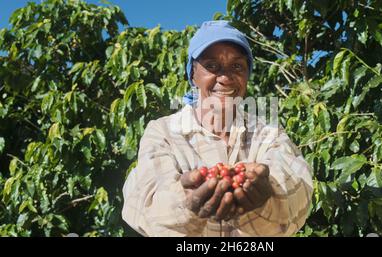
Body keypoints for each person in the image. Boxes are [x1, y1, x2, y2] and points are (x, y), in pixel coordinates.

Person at [121, 20, 313, 237]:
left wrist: (267, 194)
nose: (225, 77)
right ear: (193, 75)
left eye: (237, 66)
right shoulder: (164, 132)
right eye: (212, 66)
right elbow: (146, 203)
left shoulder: (268, 135)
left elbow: (298, 188)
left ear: (247, 76)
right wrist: (184, 201)